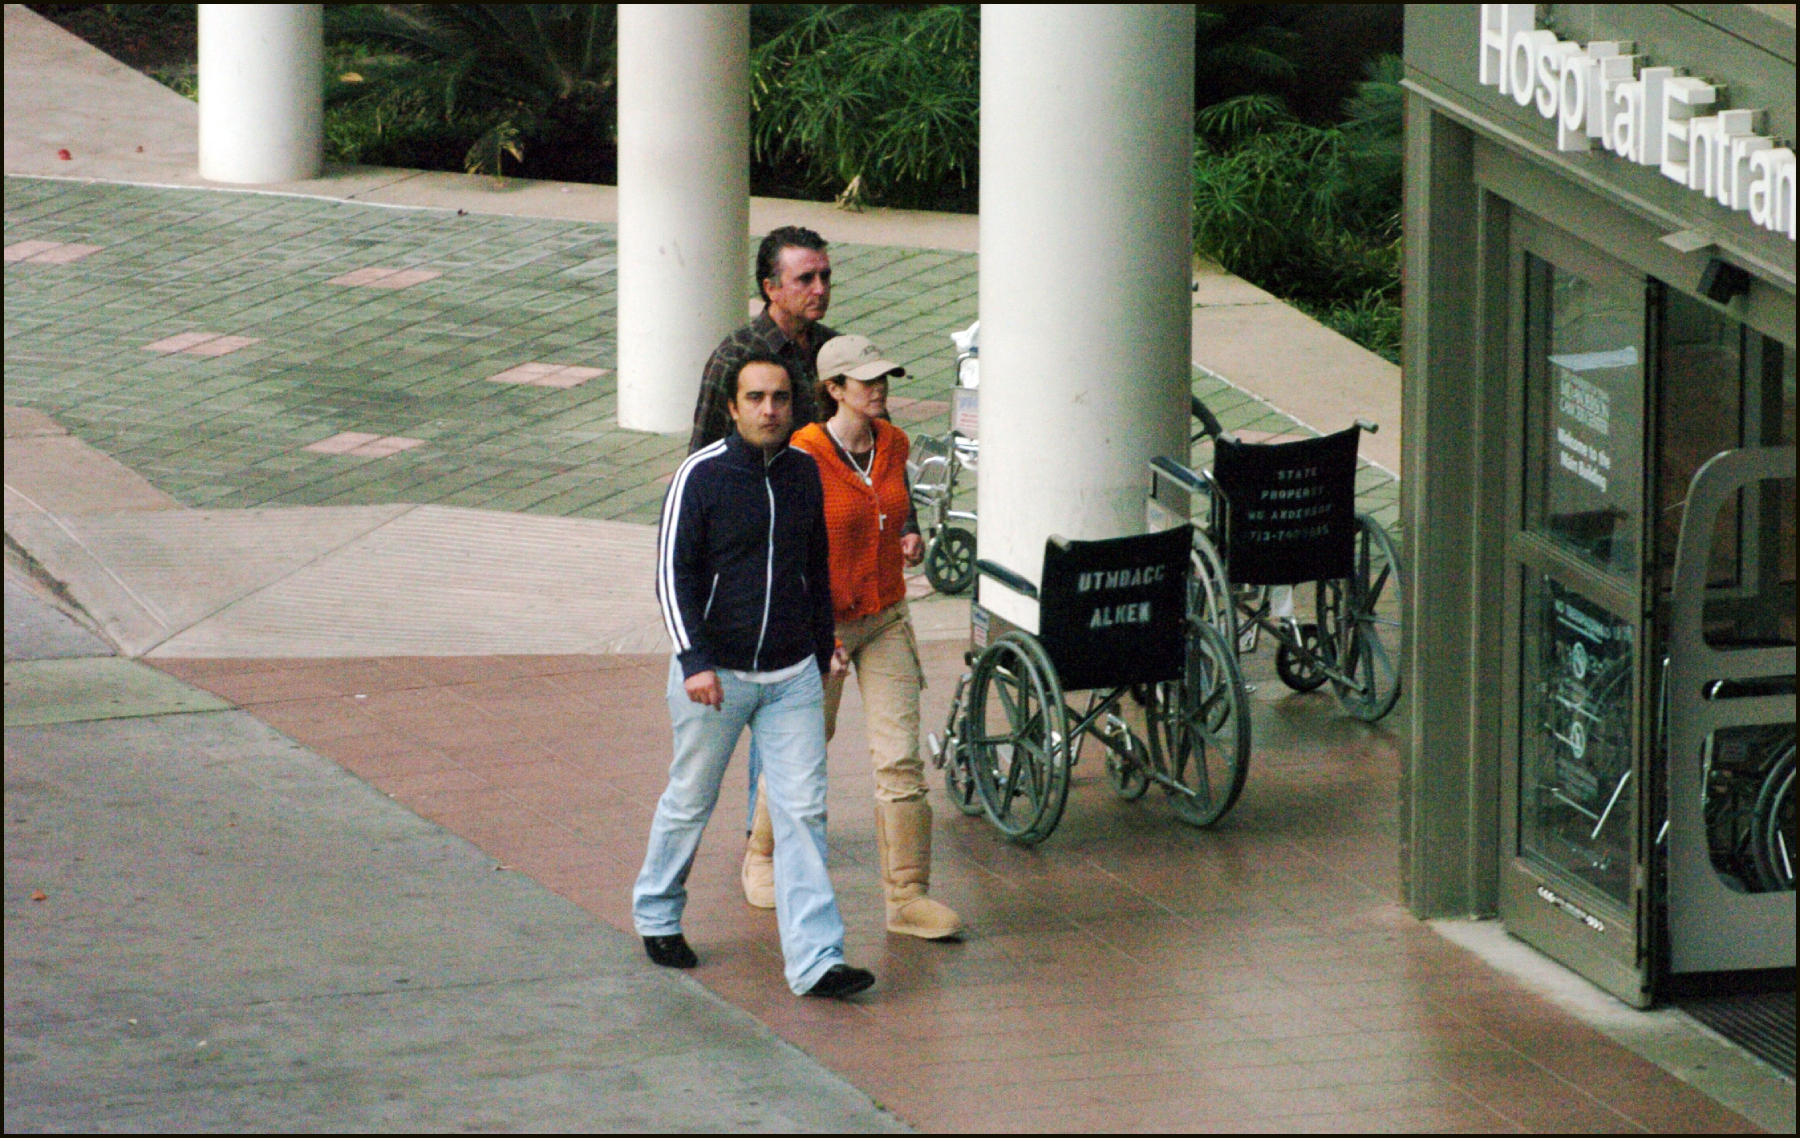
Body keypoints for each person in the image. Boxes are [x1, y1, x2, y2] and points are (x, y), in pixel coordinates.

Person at [634, 351, 874, 999]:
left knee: (803, 813)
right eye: (756, 398)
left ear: (794, 406)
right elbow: (671, 575)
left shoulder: (802, 473)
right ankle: (656, 914)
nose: (769, 409)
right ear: (734, 407)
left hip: (793, 673)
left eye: (779, 398)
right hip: (716, 676)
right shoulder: (701, 476)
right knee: (692, 799)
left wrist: (826, 645)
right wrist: (695, 660)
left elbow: (813, 566)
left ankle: (817, 960)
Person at [741, 334, 965, 941]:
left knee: (899, 758)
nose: (880, 388)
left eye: (885, 377)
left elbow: (894, 501)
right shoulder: (802, 455)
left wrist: (908, 533)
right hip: (825, 625)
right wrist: (815, 632)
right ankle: (761, 856)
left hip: (887, 616)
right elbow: (785, 553)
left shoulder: (893, 442)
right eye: (866, 381)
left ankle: (908, 897)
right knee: (803, 746)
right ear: (834, 389)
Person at [688, 225, 837, 455]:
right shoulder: (734, 357)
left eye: (825, 277)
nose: (820, 289)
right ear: (771, 289)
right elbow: (704, 455)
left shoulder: (835, 348)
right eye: (805, 279)